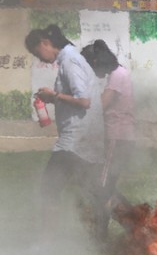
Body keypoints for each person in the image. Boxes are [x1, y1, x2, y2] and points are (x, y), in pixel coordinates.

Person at [25, 25, 104, 237]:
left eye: (36, 53)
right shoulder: (68, 60)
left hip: (74, 142)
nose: (40, 58)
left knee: (48, 189)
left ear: (44, 43)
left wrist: (54, 97)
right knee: (96, 189)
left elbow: (84, 100)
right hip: (80, 140)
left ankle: (47, 243)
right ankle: (138, 226)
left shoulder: (70, 61)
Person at [81, 39, 135, 238]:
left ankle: (103, 234)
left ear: (96, 61)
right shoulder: (118, 73)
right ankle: (135, 224)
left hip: (116, 137)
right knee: (105, 186)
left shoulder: (117, 76)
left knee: (101, 188)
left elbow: (100, 107)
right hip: (118, 137)